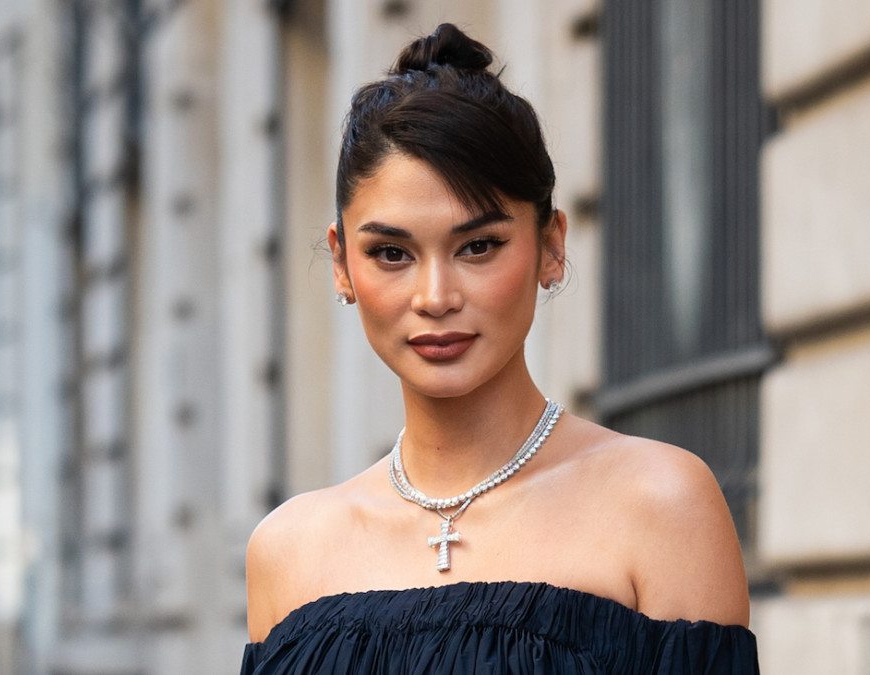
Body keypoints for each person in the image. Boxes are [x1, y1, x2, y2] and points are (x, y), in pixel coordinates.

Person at [242, 23, 758, 674]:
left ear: (551, 244)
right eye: (391, 253)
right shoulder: (287, 549)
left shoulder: (663, 504)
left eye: (478, 246)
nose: (435, 295)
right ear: (343, 264)